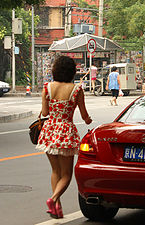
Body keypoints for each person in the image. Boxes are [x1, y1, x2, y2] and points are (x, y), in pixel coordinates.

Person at [36, 56, 92, 219]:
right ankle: (53, 200)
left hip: (49, 131)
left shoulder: (47, 88)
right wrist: (89, 120)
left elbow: (45, 113)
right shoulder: (76, 90)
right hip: (66, 132)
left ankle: (57, 208)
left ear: (55, 70)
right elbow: (84, 116)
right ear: (72, 72)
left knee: (55, 171)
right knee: (67, 174)